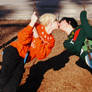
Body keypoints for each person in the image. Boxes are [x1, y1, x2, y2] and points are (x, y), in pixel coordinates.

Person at [0, 12, 58, 92]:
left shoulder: (51, 40)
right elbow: (22, 39)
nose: (58, 22)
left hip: (23, 59)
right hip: (14, 50)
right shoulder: (36, 26)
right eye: (56, 20)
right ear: (50, 22)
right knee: (4, 77)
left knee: (14, 84)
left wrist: (37, 37)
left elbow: (41, 55)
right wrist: (32, 23)